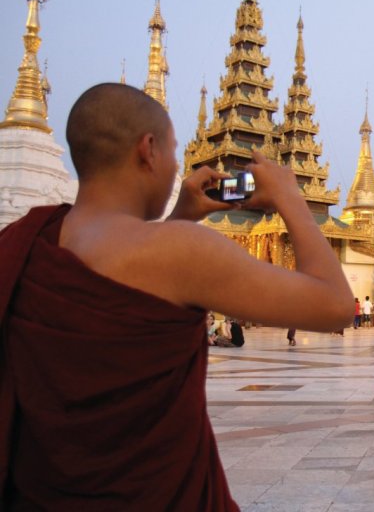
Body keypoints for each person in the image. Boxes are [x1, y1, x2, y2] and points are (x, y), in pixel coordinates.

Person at [0, 84, 353, 509]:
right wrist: (289, 197)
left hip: (45, 494)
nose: (175, 166)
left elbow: (133, 272)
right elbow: (335, 307)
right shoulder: (184, 251)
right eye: (172, 152)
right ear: (147, 150)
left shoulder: (22, 243)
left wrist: (180, 216)